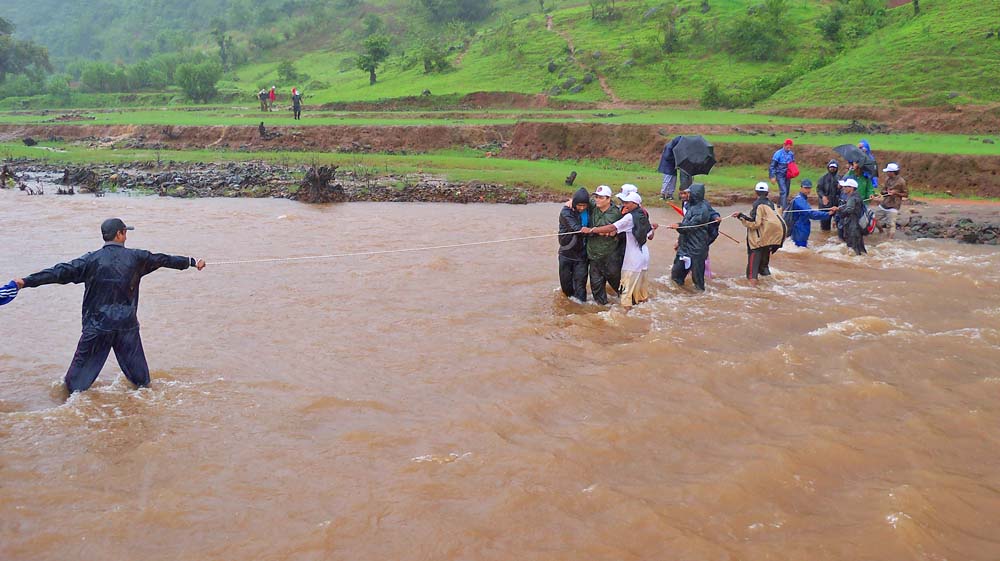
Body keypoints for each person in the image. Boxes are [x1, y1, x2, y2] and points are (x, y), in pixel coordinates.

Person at [10, 218, 206, 393]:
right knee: (142, 385)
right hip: (126, 327)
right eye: (125, 232)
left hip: (97, 327)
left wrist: (26, 281)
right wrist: (191, 262)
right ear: (119, 234)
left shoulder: (90, 260)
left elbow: (59, 272)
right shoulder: (137, 258)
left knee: (73, 388)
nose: (126, 235)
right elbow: (163, 259)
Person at [582, 191, 657, 312]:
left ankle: (627, 317)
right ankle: (645, 313)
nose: (624, 205)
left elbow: (612, 227)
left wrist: (591, 230)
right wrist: (653, 227)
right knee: (641, 294)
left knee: (625, 294)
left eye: (627, 203)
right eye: (624, 202)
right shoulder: (642, 215)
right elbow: (650, 235)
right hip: (644, 257)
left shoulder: (629, 217)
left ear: (635, 203)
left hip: (632, 260)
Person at [732, 182, 787, 287]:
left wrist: (740, 216)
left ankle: (752, 291)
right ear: (767, 192)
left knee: (752, 272)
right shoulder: (773, 205)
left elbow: (755, 223)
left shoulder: (758, 204)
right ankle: (772, 288)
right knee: (764, 268)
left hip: (757, 243)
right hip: (769, 241)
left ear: (755, 192)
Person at [666, 183, 719, 291]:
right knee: (676, 276)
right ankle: (679, 296)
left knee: (698, 281)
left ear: (695, 194)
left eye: (688, 193)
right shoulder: (689, 205)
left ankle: (701, 298)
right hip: (684, 247)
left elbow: (690, 226)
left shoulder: (701, 210)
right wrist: (679, 241)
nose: (686, 195)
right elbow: (686, 224)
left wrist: (678, 226)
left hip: (696, 249)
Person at [584, 185, 624, 305]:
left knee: (618, 286)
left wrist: (592, 230)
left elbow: (609, 229)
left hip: (610, 256)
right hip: (593, 255)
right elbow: (581, 197)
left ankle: (630, 305)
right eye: (596, 197)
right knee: (596, 287)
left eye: (601, 198)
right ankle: (602, 310)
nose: (597, 200)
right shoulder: (594, 206)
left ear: (608, 199)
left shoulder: (615, 213)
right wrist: (571, 202)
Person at [558, 187, 590, 302]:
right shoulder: (566, 212)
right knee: (566, 289)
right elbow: (574, 227)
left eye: (584, 205)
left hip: (582, 255)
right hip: (566, 253)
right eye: (579, 205)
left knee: (580, 287)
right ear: (574, 203)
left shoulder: (590, 209)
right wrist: (585, 230)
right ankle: (570, 309)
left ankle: (581, 308)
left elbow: (604, 202)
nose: (582, 208)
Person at [788, 179, 836, 248]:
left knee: (799, 248)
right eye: (805, 188)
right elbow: (811, 214)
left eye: (809, 188)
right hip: (799, 229)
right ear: (801, 188)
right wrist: (828, 214)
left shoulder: (801, 199)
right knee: (800, 247)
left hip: (800, 228)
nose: (807, 190)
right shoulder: (800, 200)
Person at [873, 162, 908, 239]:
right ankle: (881, 231)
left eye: (888, 172)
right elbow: (883, 191)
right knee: (873, 219)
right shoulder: (887, 179)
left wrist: (896, 193)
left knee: (891, 224)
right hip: (884, 204)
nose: (887, 173)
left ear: (893, 172)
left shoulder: (901, 181)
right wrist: (886, 192)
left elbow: (906, 194)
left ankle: (889, 240)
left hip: (894, 205)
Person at [835, 178, 867, 255]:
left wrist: (838, 210)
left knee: (854, 249)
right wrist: (839, 208)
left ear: (852, 188)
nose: (843, 188)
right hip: (857, 226)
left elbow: (849, 210)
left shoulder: (852, 198)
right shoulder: (857, 196)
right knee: (860, 249)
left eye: (846, 187)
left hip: (853, 227)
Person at [768, 138, 796, 209]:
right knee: (783, 191)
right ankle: (784, 208)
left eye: (790, 146)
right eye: (788, 146)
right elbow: (772, 166)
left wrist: (793, 171)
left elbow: (792, 164)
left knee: (787, 191)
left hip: (788, 175)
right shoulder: (778, 154)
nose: (789, 148)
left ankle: (780, 205)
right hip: (780, 175)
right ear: (784, 145)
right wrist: (772, 176)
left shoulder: (791, 154)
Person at [816, 160, 840, 232]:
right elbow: (819, 189)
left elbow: (843, 191)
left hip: (837, 205)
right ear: (828, 167)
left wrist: (840, 187)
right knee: (824, 228)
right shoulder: (823, 178)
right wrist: (823, 196)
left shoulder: (840, 178)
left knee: (839, 227)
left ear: (837, 168)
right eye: (831, 167)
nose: (832, 168)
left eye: (834, 167)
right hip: (825, 206)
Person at [657, 135, 682, 200]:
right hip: (667, 167)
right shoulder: (669, 147)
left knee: (673, 181)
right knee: (667, 181)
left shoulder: (675, 147)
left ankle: (670, 194)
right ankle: (663, 194)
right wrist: (676, 161)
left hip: (673, 167)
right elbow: (667, 157)